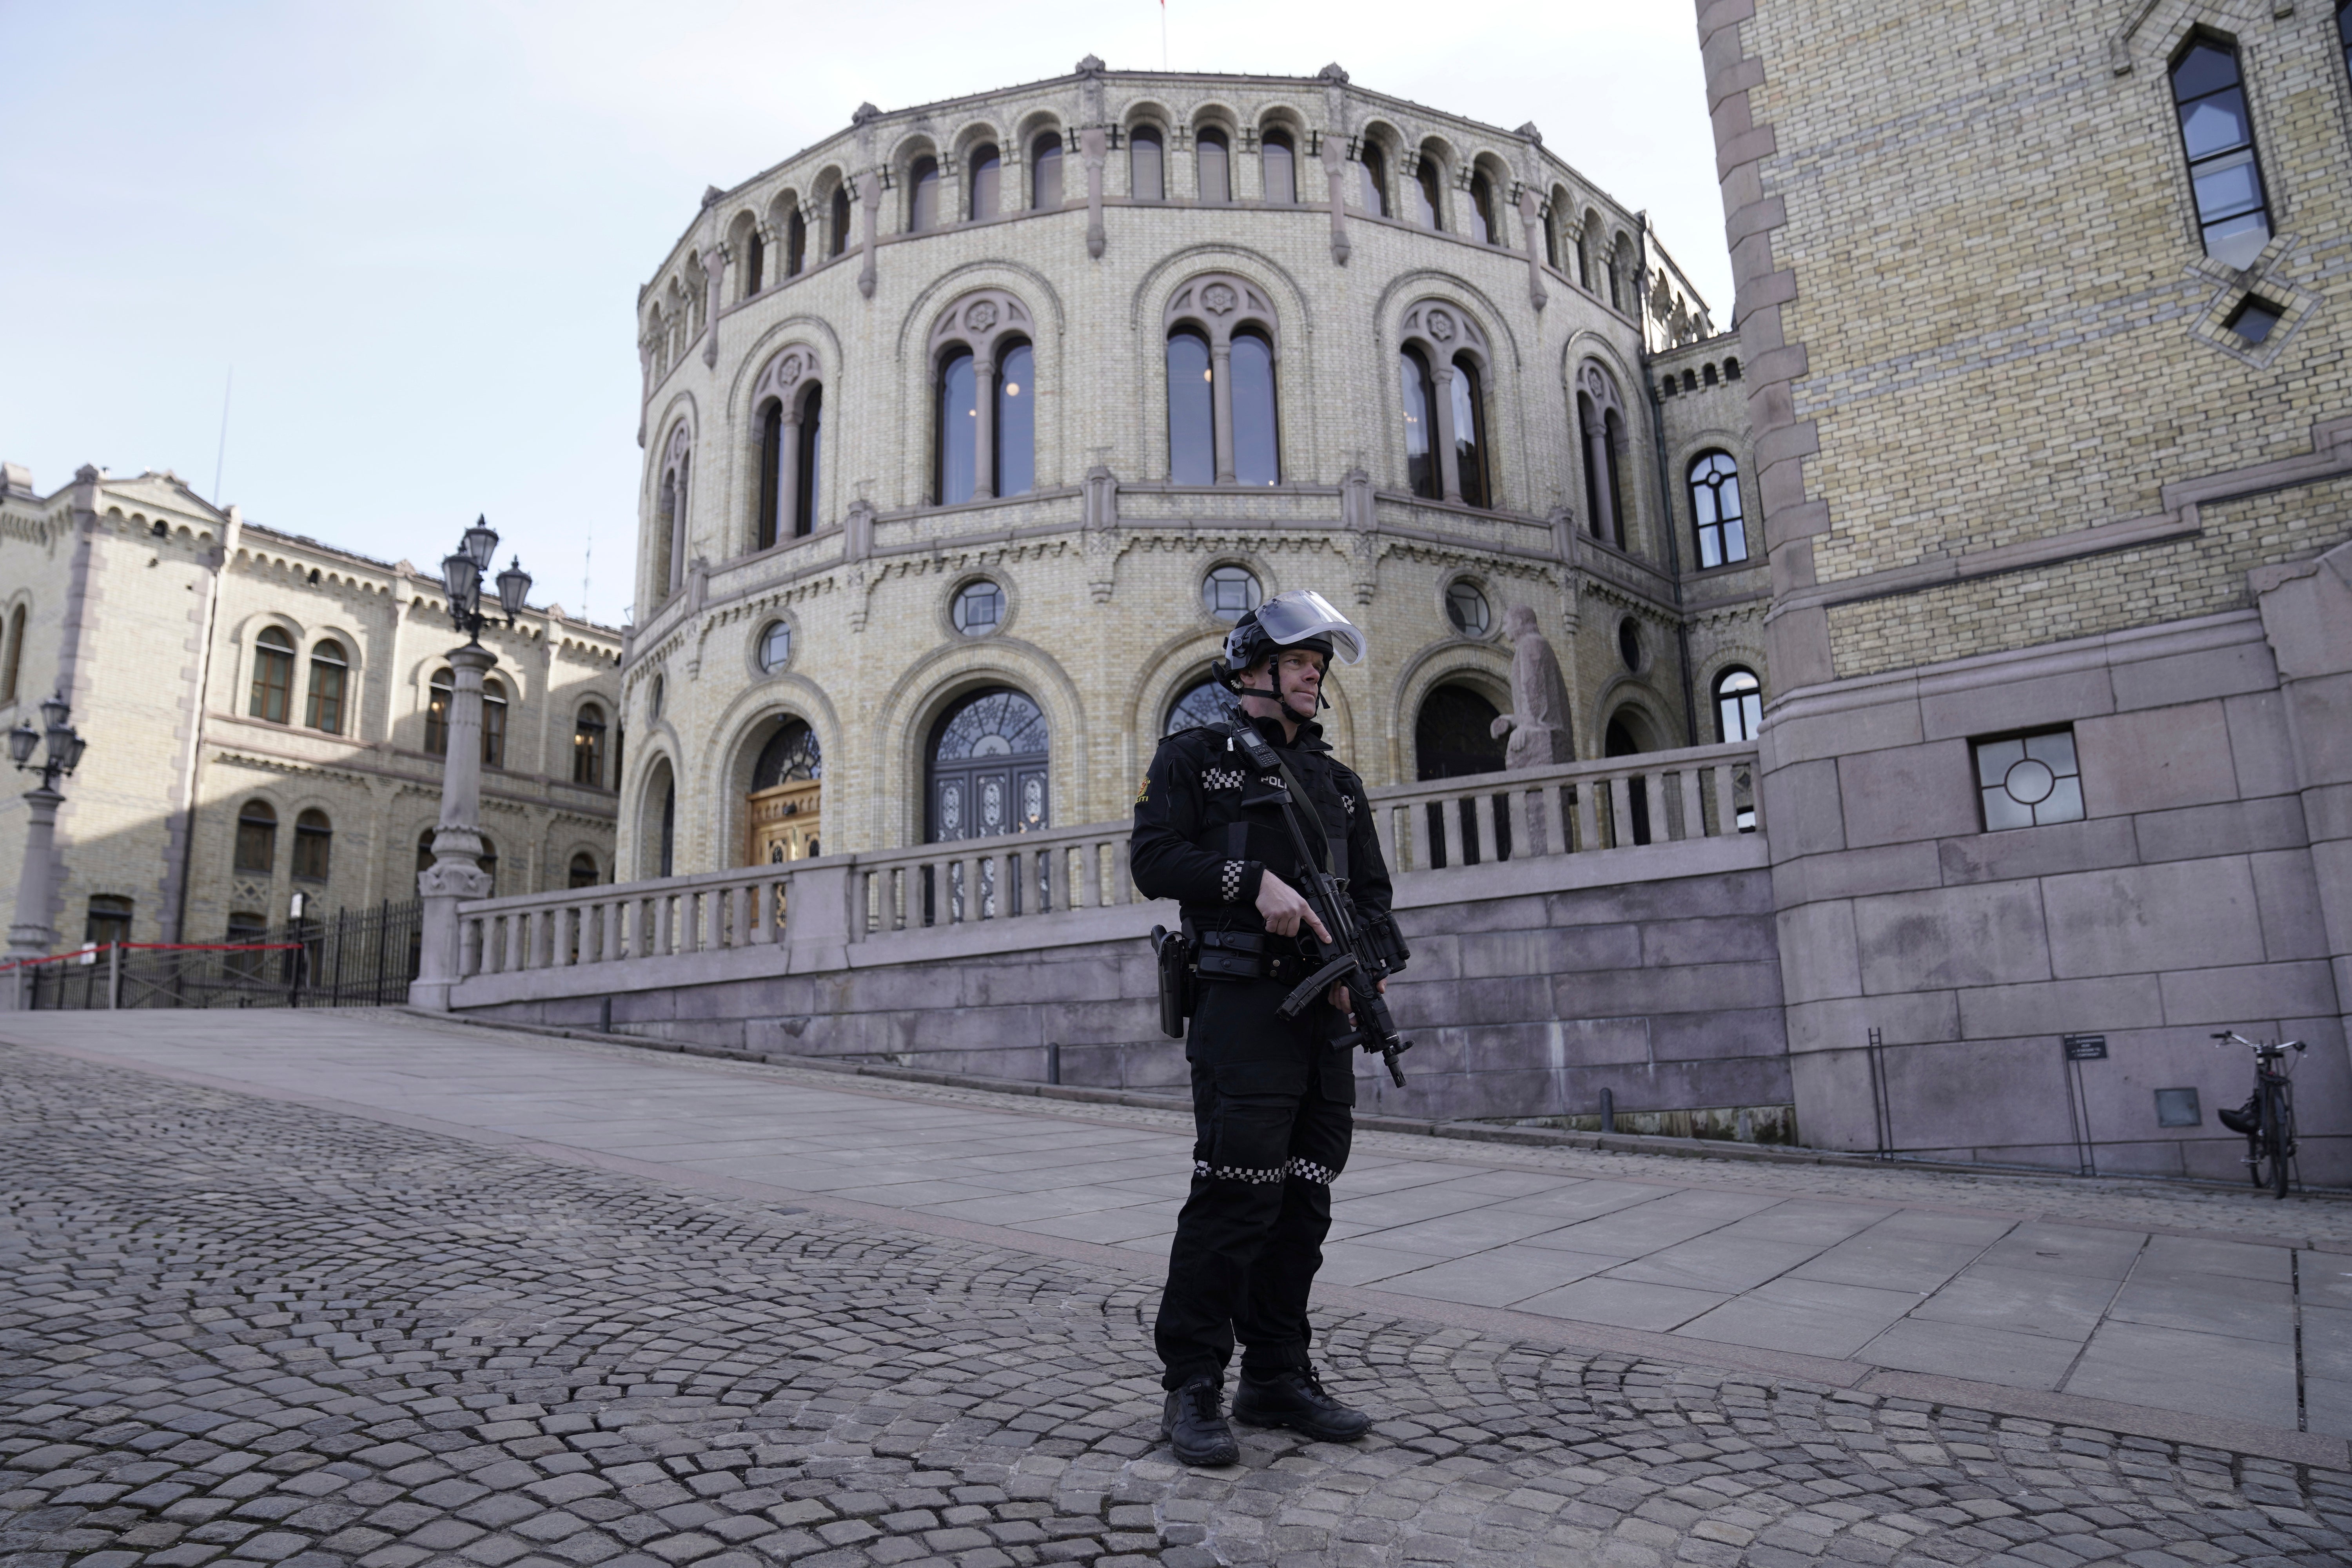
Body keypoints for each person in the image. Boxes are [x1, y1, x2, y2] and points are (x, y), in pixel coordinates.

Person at [1129, 589, 1402, 1466]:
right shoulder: (1195, 756)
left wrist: (1368, 968)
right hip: (1242, 1008)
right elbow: (1152, 857)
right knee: (1235, 1194)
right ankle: (1193, 1384)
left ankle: (1277, 1372)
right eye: (1300, 663)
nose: (1314, 677)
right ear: (1252, 668)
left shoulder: (1339, 783)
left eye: (1319, 667)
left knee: (1304, 1198)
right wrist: (1250, 883)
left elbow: (1375, 898)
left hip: (1323, 1019)